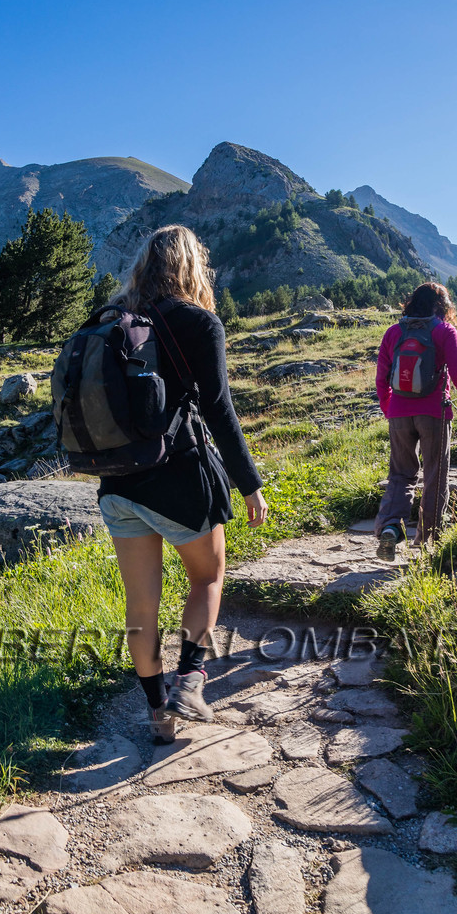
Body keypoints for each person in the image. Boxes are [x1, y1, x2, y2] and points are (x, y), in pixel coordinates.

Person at [93, 225, 268, 744]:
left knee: (140, 605)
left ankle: (157, 713)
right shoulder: (197, 321)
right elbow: (218, 410)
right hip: (177, 477)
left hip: (117, 484)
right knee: (208, 577)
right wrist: (249, 483)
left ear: (144, 266)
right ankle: (190, 682)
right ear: (193, 266)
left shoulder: (109, 319)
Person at [373, 282, 457, 560]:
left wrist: (390, 409)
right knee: (435, 475)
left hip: (399, 413)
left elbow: (382, 378)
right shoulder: (444, 331)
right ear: (441, 306)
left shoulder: (394, 332)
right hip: (435, 412)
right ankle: (428, 540)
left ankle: (391, 527)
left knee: (400, 474)